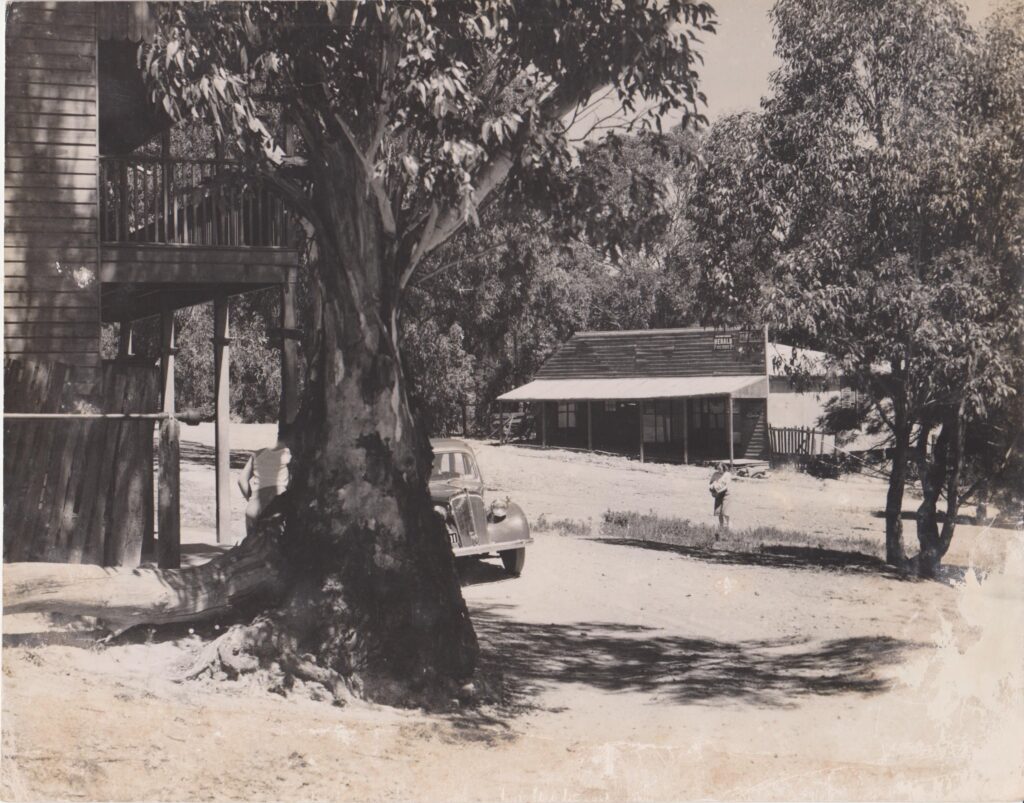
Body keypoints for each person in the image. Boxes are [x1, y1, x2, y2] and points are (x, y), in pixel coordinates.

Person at [238, 426, 293, 541]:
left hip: (254, 506)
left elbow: (241, 480)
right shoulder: (289, 455)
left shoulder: (257, 454)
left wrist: (251, 499)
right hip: (276, 505)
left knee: (251, 547)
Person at [708, 461, 732, 532]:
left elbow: (726, 486)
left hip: (726, 494)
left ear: (724, 468)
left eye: (720, 469)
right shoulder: (715, 474)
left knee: (725, 511)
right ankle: (721, 526)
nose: (719, 470)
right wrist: (712, 490)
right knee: (718, 511)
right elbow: (710, 483)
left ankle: (728, 525)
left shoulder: (727, 474)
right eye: (717, 468)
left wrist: (718, 491)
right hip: (717, 494)